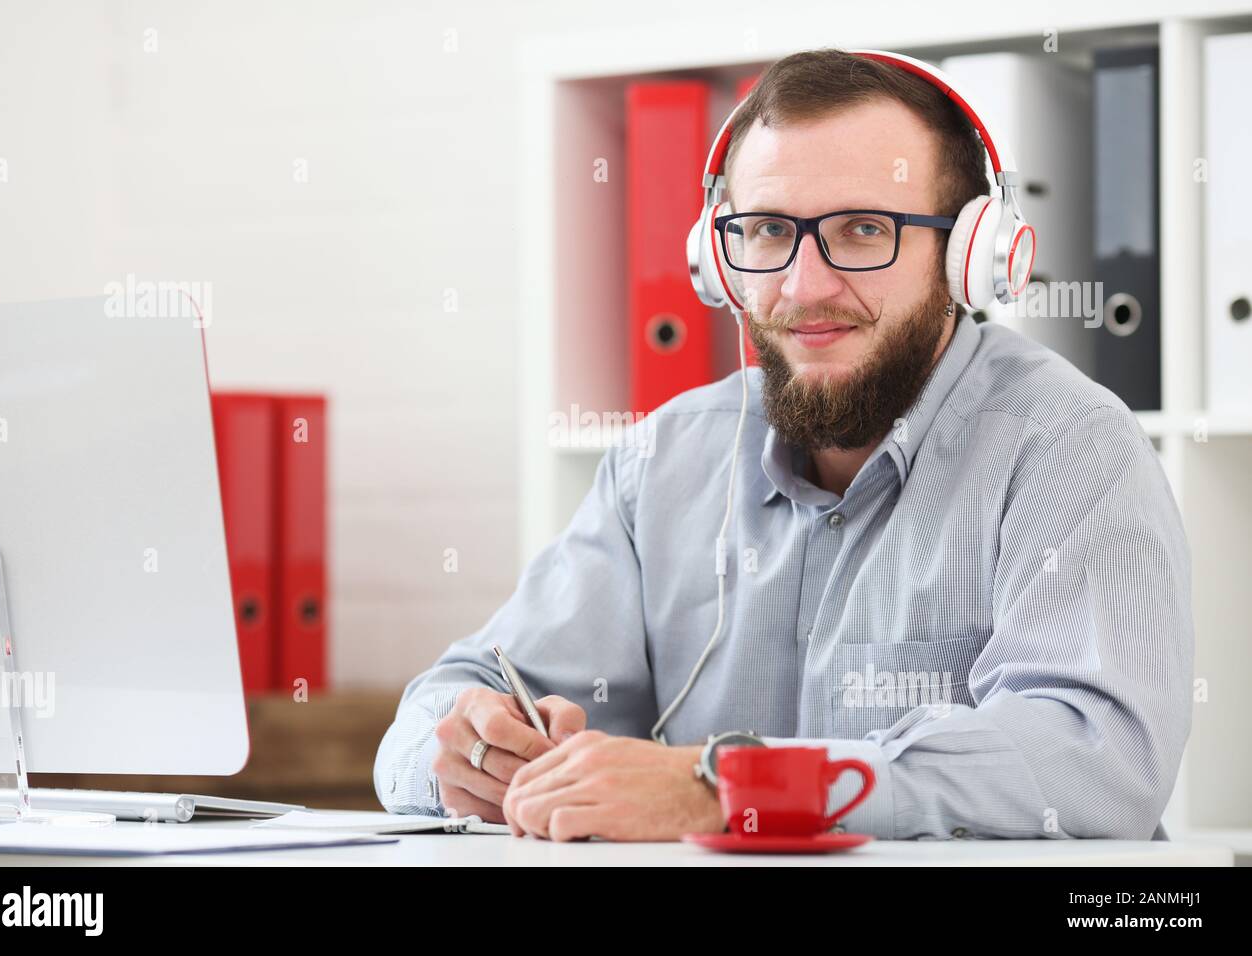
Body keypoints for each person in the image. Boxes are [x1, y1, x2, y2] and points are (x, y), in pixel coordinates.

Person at [374, 48, 1192, 843]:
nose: (804, 287)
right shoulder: (665, 462)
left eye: (864, 229)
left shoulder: (1072, 449)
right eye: (767, 231)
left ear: (971, 257)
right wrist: (457, 756)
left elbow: (1094, 763)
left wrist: (734, 790)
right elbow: (446, 707)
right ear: (716, 262)